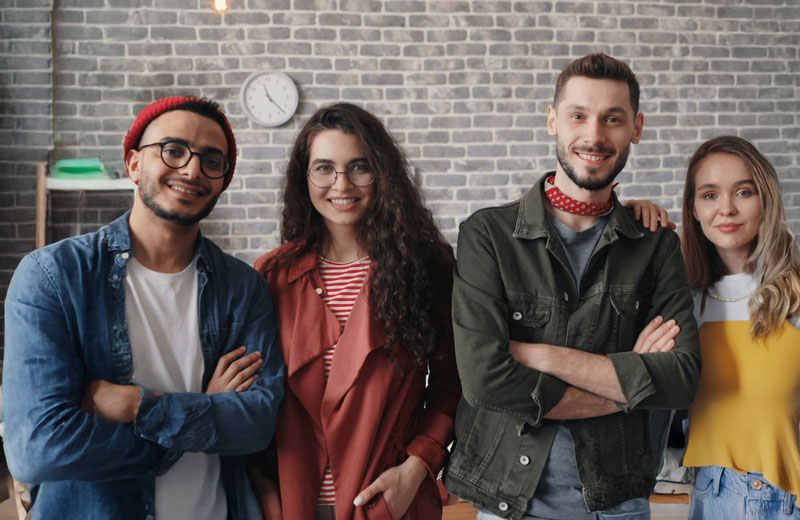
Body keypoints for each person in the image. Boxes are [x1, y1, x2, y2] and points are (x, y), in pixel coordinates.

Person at [443, 53, 702, 519]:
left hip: (618, 504)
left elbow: (681, 380)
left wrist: (542, 356)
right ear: (552, 121)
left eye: (613, 119)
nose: (595, 135)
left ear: (636, 129)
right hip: (510, 504)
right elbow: (483, 380)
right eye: (578, 115)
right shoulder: (488, 236)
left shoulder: (656, 245)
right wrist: (627, 388)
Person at [3, 96, 285, 519]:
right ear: (134, 163)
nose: (192, 169)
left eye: (212, 160)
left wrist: (138, 406)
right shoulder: (52, 276)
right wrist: (199, 416)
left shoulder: (243, 287)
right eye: (173, 151)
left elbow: (255, 423)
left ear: (223, 181)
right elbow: (38, 448)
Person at [251, 102, 461, 520]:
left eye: (359, 167)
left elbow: (453, 385)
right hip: (293, 502)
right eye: (324, 168)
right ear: (304, 177)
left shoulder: (428, 265)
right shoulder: (273, 274)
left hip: (388, 501)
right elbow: (258, 396)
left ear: (382, 175)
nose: (341, 184)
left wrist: (417, 468)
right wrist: (263, 490)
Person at [680, 136, 800, 519]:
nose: (727, 209)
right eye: (710, 195)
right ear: (694, 209)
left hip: (785, 497)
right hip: (709, 496)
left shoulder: (795, 296)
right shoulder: (683, 302)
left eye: (743, 192)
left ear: (766, 199)